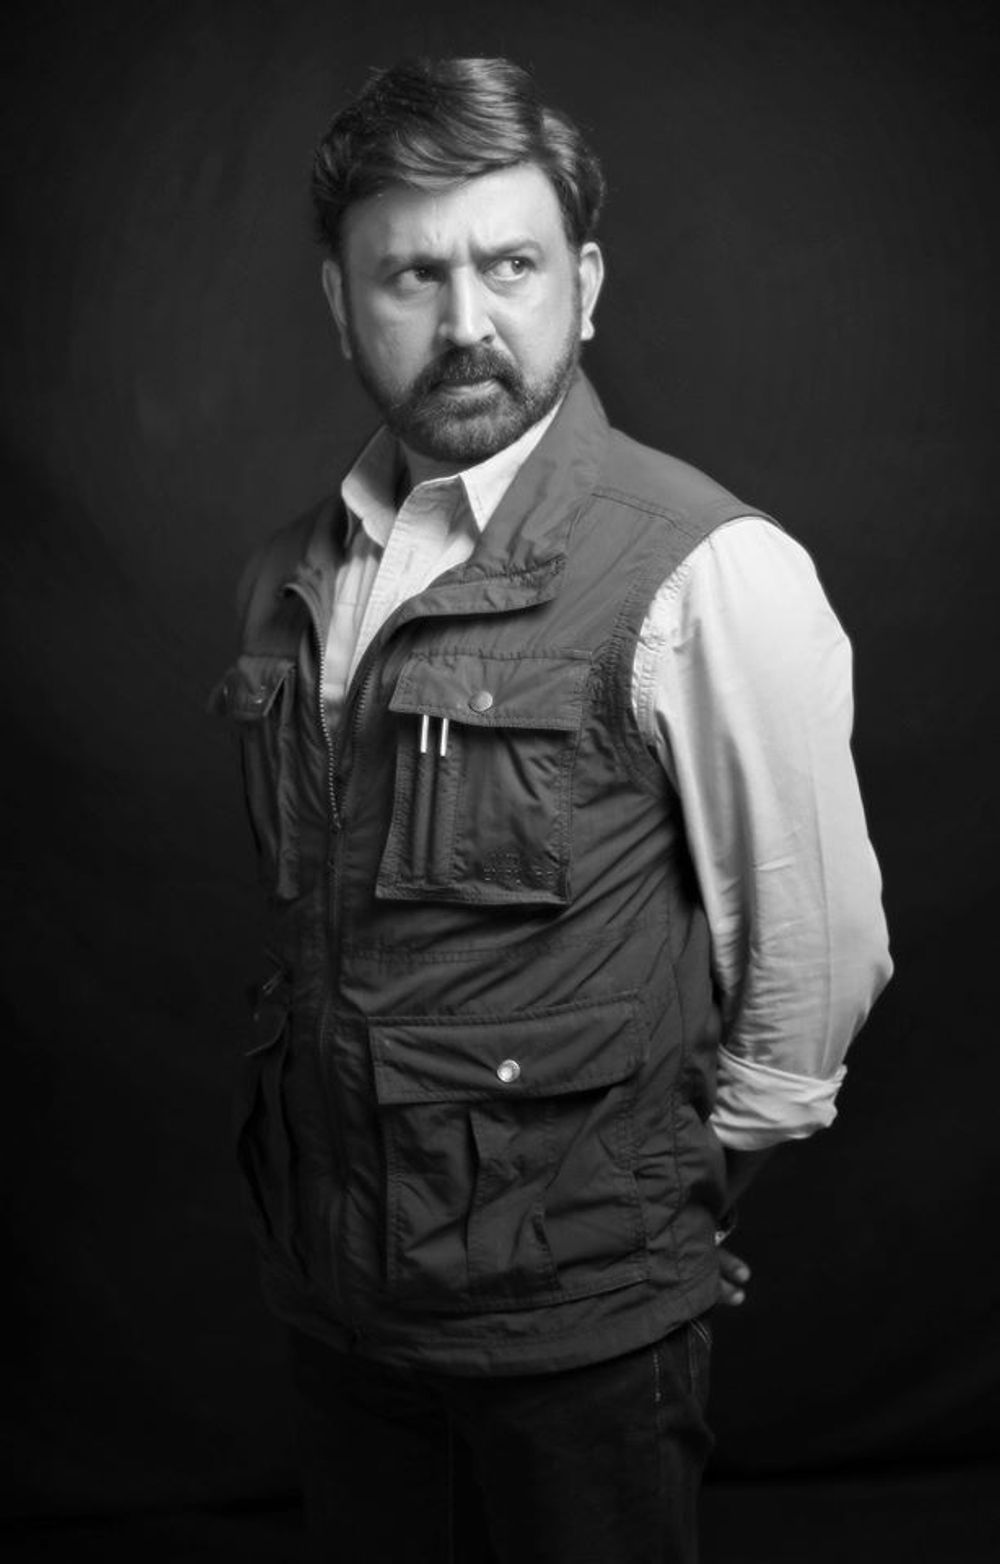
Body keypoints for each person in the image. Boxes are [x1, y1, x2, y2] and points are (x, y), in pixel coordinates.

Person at [213, 55, 892, 1564]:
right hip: (336, 1310)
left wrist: (660, 1206)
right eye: (413, 274)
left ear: (582, 287)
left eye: (511, 266)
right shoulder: (288, 576)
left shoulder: (708, 569)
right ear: (339, 303)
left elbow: (817, 963)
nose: (468, 321)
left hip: (579, 1338)